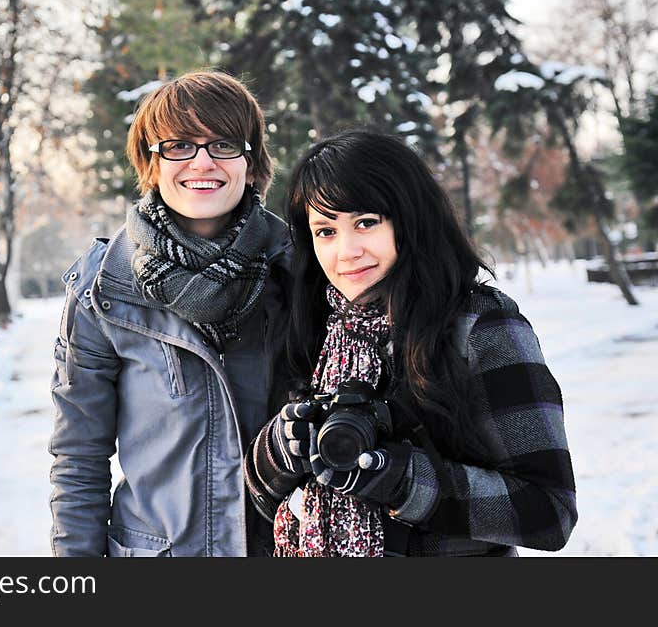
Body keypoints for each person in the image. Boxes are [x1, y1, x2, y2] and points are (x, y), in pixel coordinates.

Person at [244, 129, 577, 557]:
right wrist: (280, 445)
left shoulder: (479, 325)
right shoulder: (314, 327)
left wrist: (404, 482)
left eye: (365, 223)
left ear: (409, 219)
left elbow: (550, 513)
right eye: (325, 231)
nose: (346, 251)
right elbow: (261, 499)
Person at [49, 70, 293, 557]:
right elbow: (79, 458)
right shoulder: (103, 286)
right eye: (179, 145)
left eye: (224, 144)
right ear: (152, 162)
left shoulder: (298, 270)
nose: (202, 161)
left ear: (250, 160)